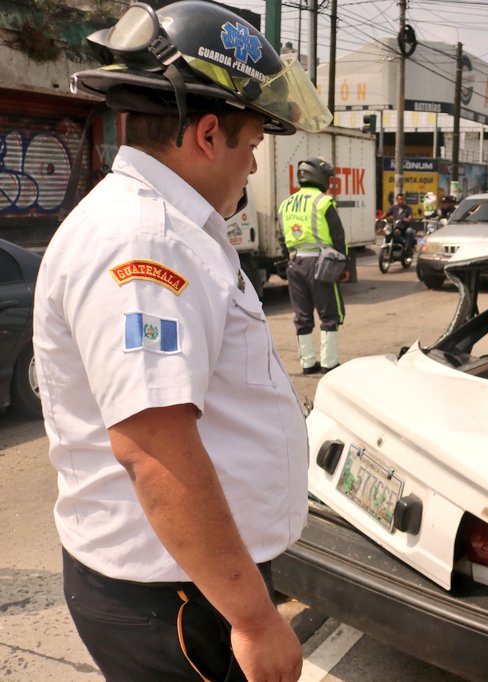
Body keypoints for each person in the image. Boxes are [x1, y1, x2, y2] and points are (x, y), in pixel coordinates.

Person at [32, 2, 332, 680]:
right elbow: (154, 446)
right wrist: (254, 620)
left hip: (184, 578)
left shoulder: (162, 227)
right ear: (205, 134)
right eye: (252, 146)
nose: (252, 168)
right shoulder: (148, 242)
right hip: (172, 594)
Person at [279, 157, 349, 374]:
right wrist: (343, 265)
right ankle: (329, 363)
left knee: (302, 316)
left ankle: (307, 363)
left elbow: (282, 237)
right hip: (321, 264)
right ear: (318, 176)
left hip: (294, 262)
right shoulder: (323, 201)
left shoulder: (286, 204)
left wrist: (288, 260)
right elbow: (338, 236)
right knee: (330, 314)